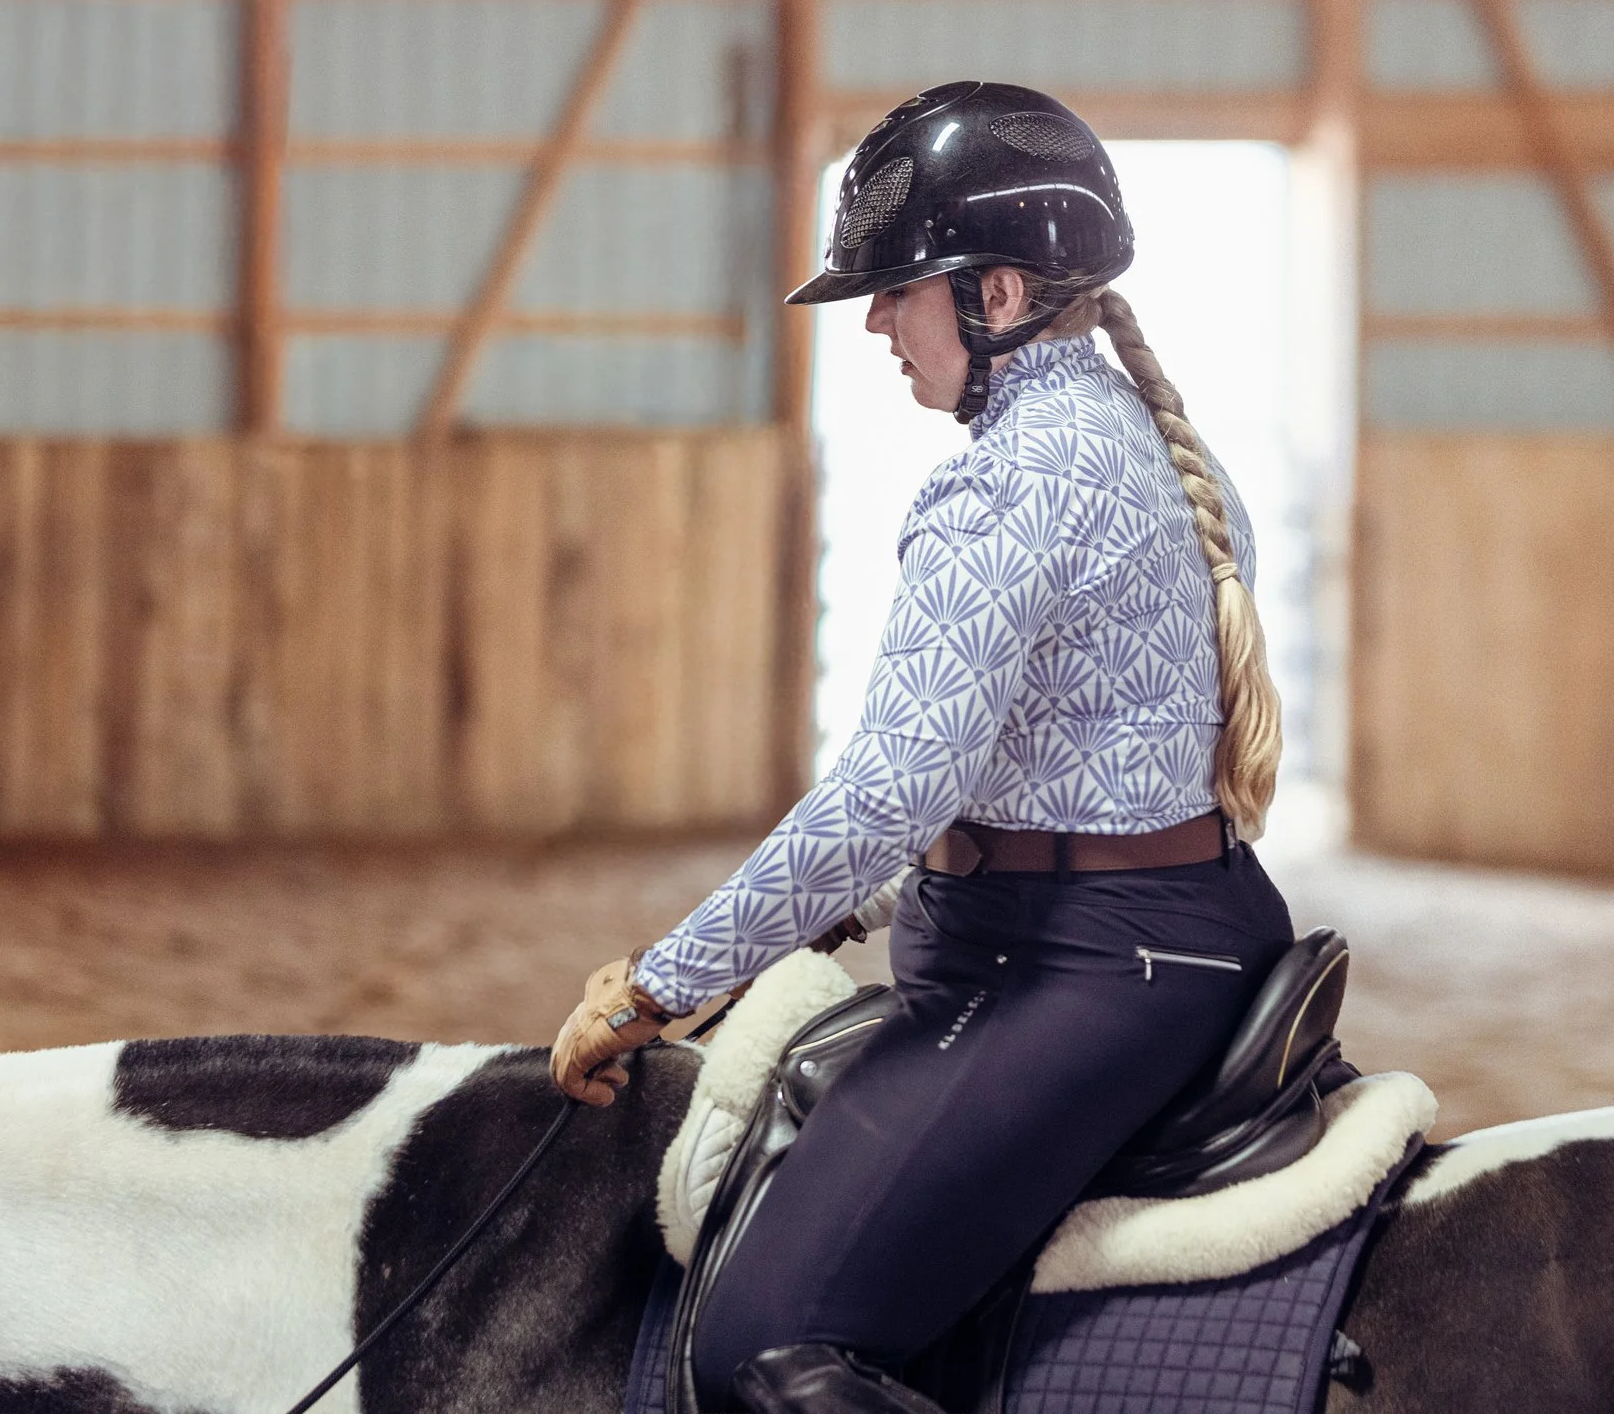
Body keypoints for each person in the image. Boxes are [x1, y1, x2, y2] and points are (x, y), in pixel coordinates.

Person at [549, 82, 1296, 1414]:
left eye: (900, 290)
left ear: (998, 297)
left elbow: (891, 788)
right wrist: (890, 894)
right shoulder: (1157, 446)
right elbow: (1085, 750)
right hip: (1187, 923)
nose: (881, 322)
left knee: (764, 1352)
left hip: (1074, 964)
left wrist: (656, 986)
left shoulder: (1001, 485)